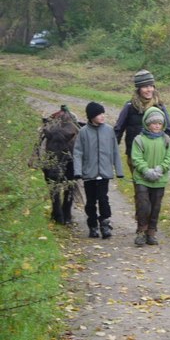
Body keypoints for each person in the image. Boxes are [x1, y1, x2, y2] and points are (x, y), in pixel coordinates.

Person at [73, 101, 125, 239]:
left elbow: (115, 151)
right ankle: (92, 225)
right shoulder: (83, 132)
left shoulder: (109, 130)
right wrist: (78, 171)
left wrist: (119, 170)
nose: (102, 116)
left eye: (103, 113)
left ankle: (105, 223)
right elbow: (78, 153)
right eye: (98, 114)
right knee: (90, 201)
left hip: (104, 172)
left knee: (103, 198)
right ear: (91, 117)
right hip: (89, 173)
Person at [114, 69, 170, 175]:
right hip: (135, 154)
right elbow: (118, 129)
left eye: (151, 86)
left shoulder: (160, 107)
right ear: (138, 89)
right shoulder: (129, 107)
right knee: (140, 188)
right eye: (145, 87)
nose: (149, 89)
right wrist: (112, 150)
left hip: (157, 154)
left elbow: (168, 130)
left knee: (155, 188)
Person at [130, 107, 170, 247]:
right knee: (144, 205)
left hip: (160, 179)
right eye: (153, 123)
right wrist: (146, 171)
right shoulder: (139, 139)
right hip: (142, 178)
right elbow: (136, 158)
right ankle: (141, 232)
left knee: (156, 207)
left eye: (159, 123)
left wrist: (160, 169)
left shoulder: (166, 140)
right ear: (147, 124)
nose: (156, 126)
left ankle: (151, 232)